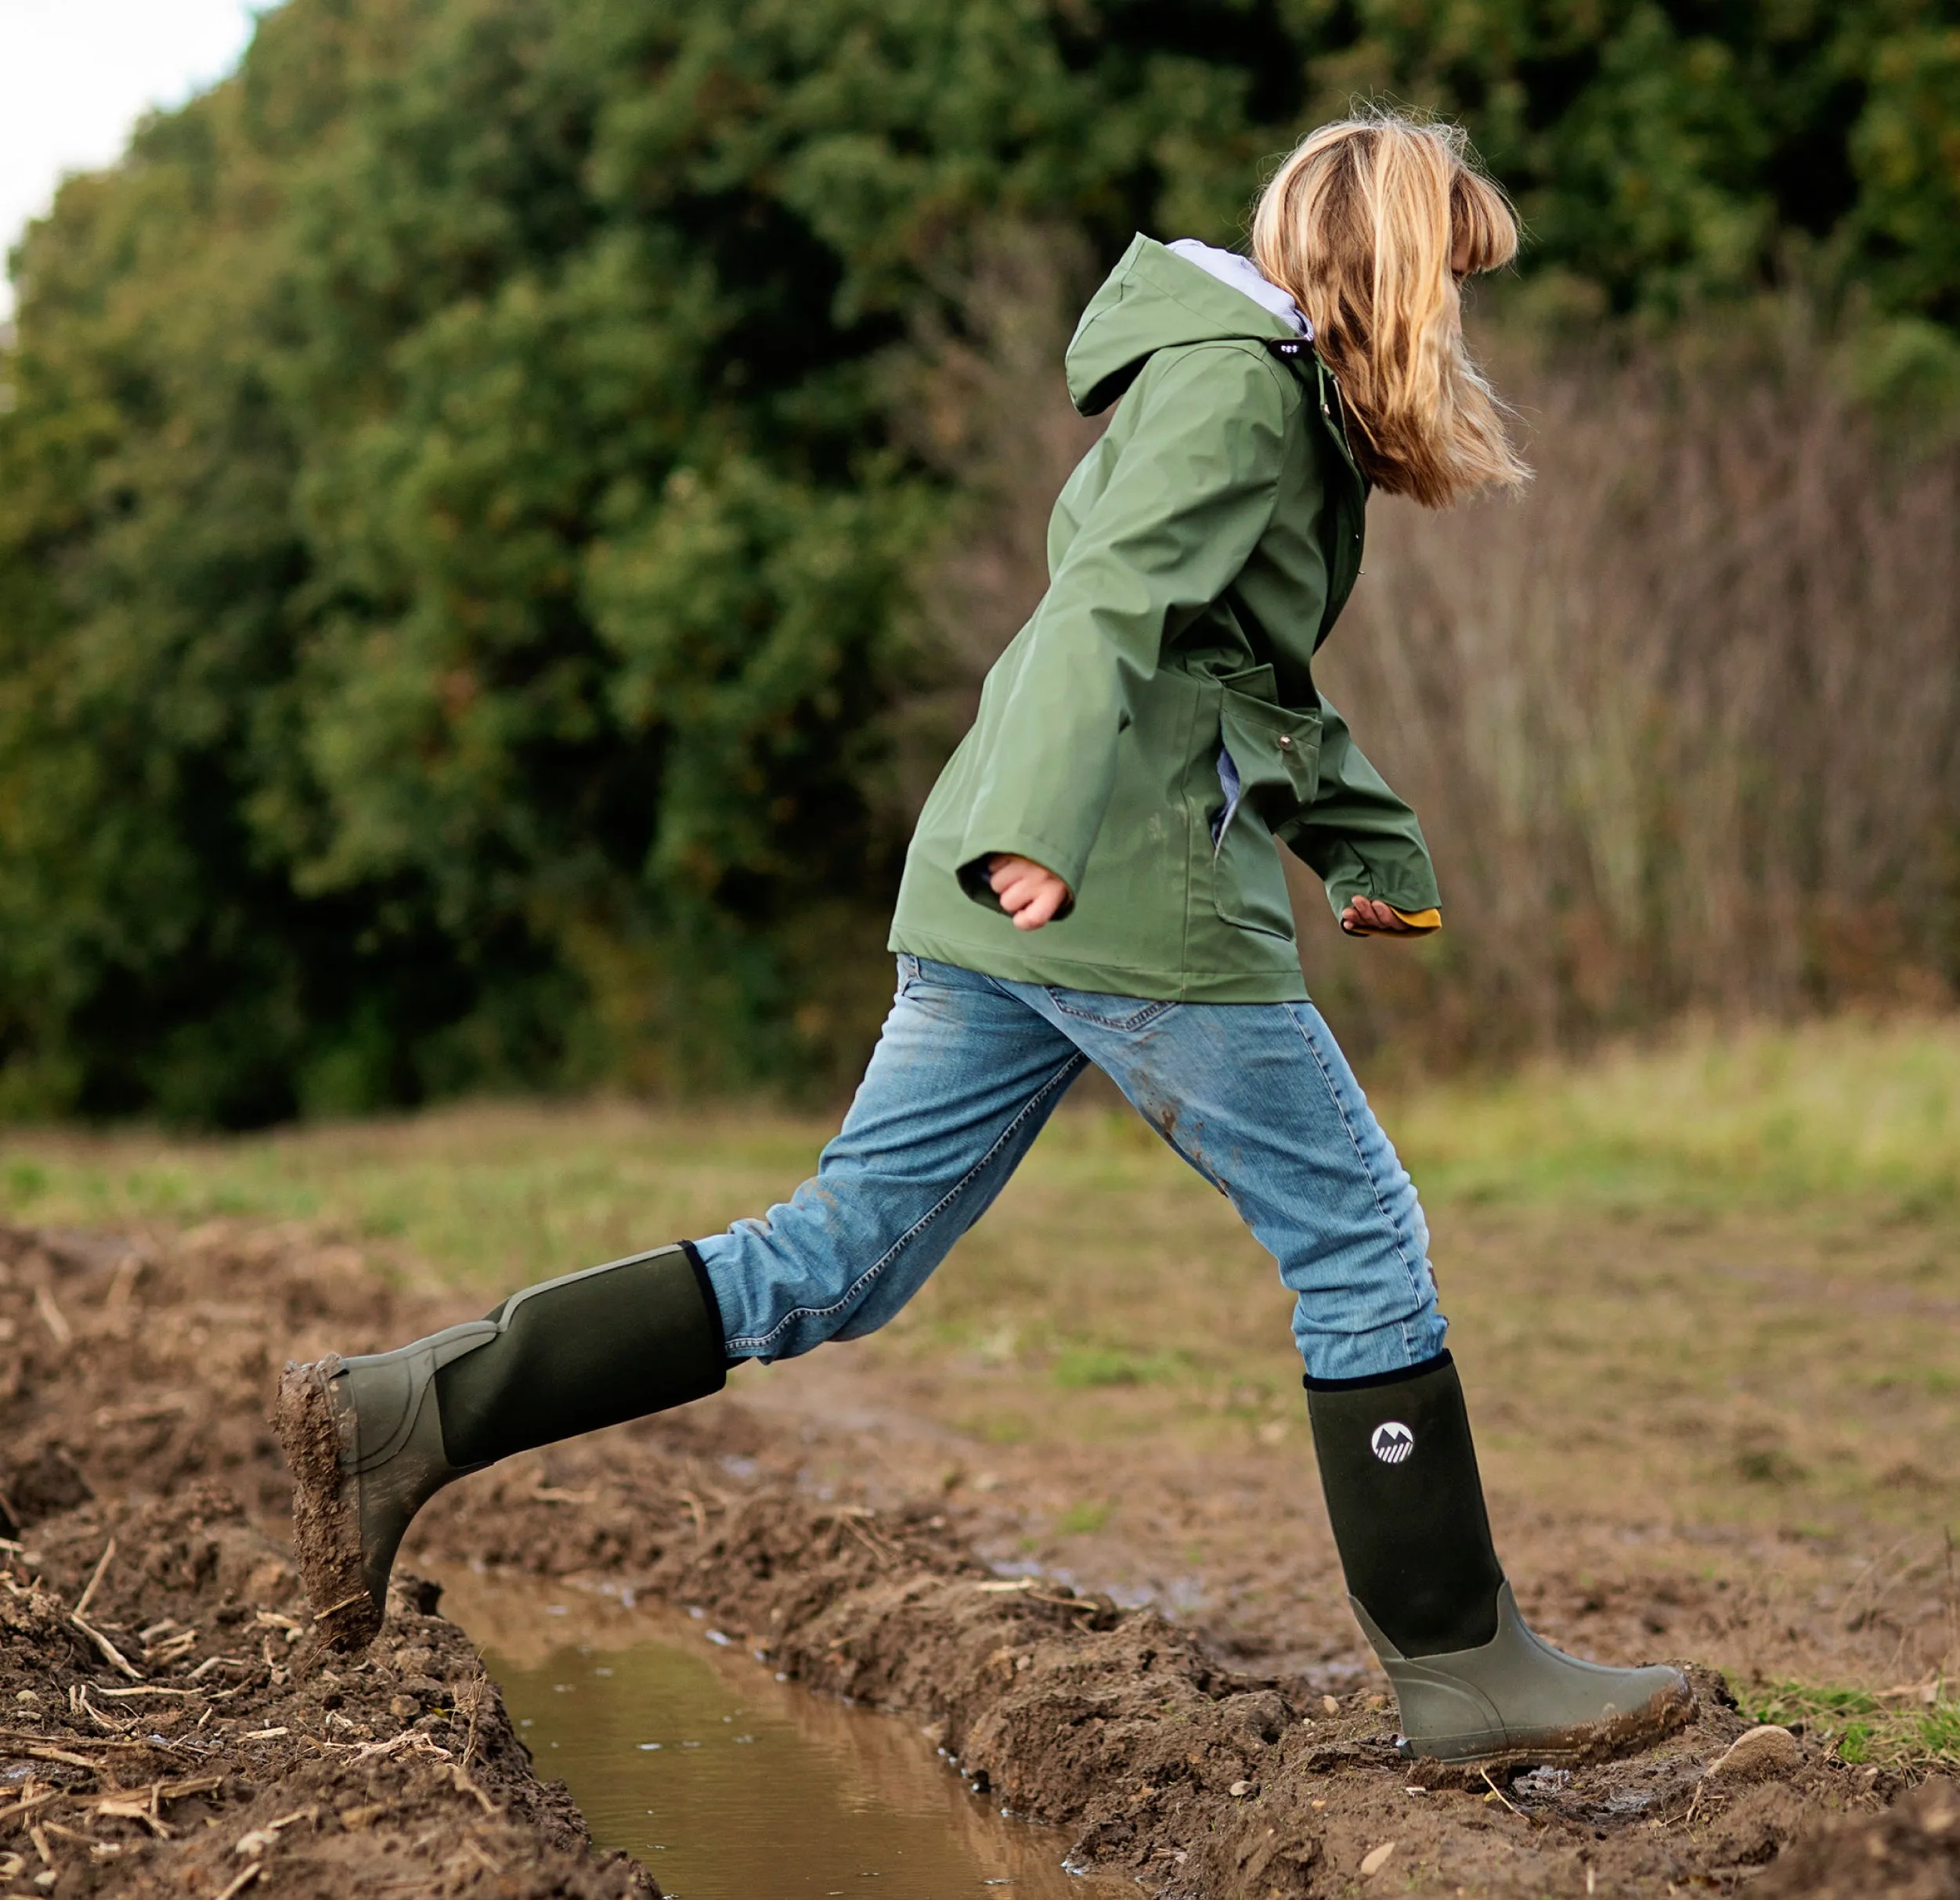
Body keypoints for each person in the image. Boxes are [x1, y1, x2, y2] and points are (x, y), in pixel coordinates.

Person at [278, 112, 1691, 1767]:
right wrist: (1039, 822)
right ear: (1381, 260)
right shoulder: (1241, 389)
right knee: (1359, 1237)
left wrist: (1352, 842)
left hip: (1023, 888)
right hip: (1117, 893)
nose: (1457, 310)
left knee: (838, 1256)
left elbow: (1225, 663)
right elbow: (1100, 607)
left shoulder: (1244, 381)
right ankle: (1464, 1670)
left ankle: (409, 1409)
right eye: (1450, 275)